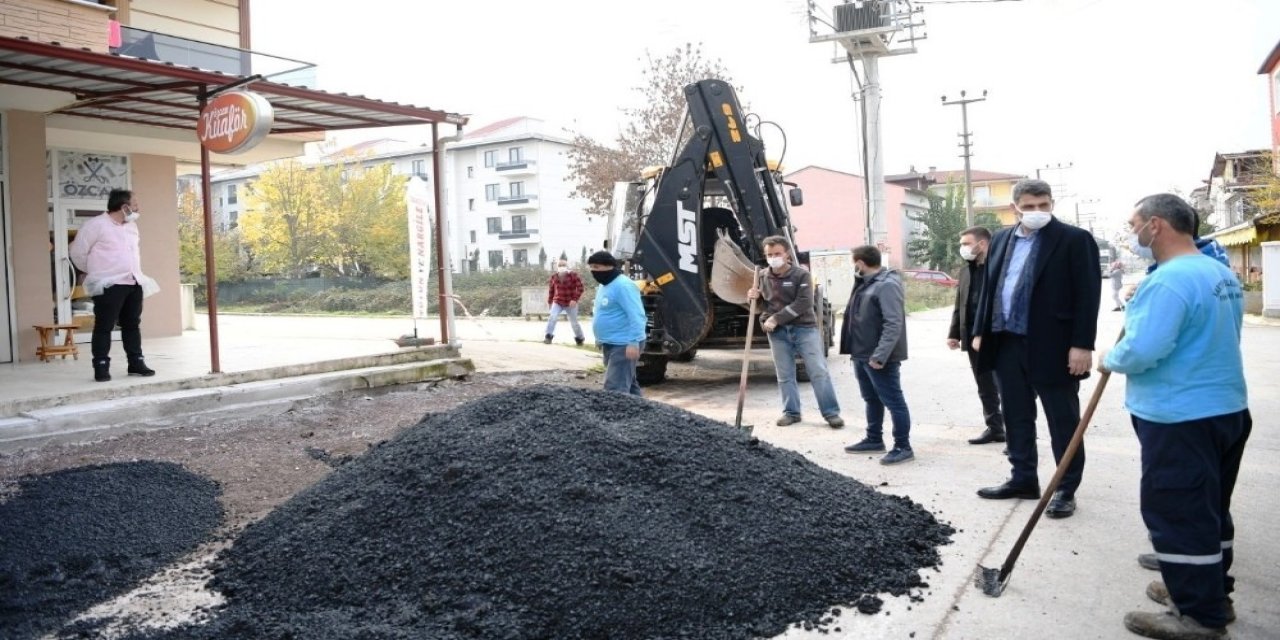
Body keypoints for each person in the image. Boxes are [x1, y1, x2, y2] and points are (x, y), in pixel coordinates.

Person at [1100, 193, 1249, 640]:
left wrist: (1112, 357)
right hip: (1226, 409)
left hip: (1180, 416)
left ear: (1157, 226)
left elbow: (1144, 349)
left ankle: (1200, 616)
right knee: (1209, 509)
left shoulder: (1166, 281)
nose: (1132, 235)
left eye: (1134, 225)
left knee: (1179, 513)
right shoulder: (1218, 272)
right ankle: (1210, 589)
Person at [970, 179, 1100, 518]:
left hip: (1054, 346)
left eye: (1043, 206)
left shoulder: (1073, 240)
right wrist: (980, 330)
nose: (1037, 212)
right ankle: (1023, 478)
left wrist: (1082, 345)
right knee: (1016, 416)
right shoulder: (1000, 240)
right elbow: (989, 288)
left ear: (1052, 204)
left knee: (1063, 421)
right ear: (1015, 208)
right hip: (1007, 343)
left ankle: (1065, 488)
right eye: (1029, 207)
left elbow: (1088, 295)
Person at [746, 235, 843, 428]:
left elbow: (804, 302)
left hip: (804, 329)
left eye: (777, 254)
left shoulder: (801, 275)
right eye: (769, 254)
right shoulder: (763, 276)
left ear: (787, 254)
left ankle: (831, 413)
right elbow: (763, 306)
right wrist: (752, 298)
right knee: (784, 374)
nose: (773, 257)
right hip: (777, 333)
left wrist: (776, 318)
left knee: (818, 371)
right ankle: (791, 412)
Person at [68, 189, 159, 383]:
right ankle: (101, 367)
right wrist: (97, 271)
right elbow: (77, 253)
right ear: (124, 206)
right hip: (109, 284)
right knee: (104, 326)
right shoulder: (96, 225)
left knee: (132, 325)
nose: (138, 208)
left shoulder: (131, 226)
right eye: (135, 204)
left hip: (133, 281)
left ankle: (136, 363)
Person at [840, 245, 913, 465]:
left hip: (880, 358)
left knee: (894, 401)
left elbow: (893, 323)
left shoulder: (887, 285)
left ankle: (903, 446)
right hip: (861, 354)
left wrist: (880, 355)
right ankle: (874, 438)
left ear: (860, 263)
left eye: (855, 263)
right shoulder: (866, 283)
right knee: (871, 399)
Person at [947, 226, 1005, 445]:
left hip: (996, 336)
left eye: (966, 243)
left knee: (1005, 386)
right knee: (984, 386)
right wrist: (954, 333)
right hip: (971, 338)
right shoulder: (966, 271)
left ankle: (1017, 436)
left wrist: (984, 333)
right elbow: (959, 304)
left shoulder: (999, 268)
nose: (963, 248)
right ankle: (995, 428)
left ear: (982, 244)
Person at [587, 251, 646, 396]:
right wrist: (600, 337)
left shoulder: (624, 286)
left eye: (597, 267)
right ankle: (644, 415)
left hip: (624, 343)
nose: (593, 271)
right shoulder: (604, 285)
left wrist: (633, 342)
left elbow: (637, 316)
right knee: (628, 384)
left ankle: (616, 417)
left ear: (609, 267)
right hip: (610, 343)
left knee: (615, 388)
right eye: (591, 267)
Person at [544, 259, 585, 346]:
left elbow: (580, 288)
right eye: (560, 265)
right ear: (557, 267)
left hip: (571, 302)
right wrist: (550, 302)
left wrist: (575, 299)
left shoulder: (573, 275)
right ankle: (548, 336)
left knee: (574, 322)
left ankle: (580, 338)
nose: (561, 267)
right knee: (552, 317)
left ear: (566, 267)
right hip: (558, 301)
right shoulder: (554, 277)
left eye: (563, 265)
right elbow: (551, 290)